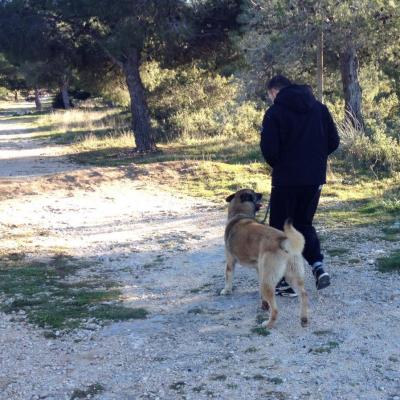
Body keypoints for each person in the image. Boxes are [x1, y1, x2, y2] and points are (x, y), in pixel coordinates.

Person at [260, 75, 340, 297]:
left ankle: (284, 283)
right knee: (303, 224)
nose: (270, 99)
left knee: (279, 229)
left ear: (275, 91)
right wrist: (315, 160)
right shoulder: (320, 109)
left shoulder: (274, 113)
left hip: (286, 180)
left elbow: (269, 149)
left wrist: (282, 164)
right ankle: (318, 266)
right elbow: (334, 141)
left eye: (270, 95)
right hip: (314, 180)